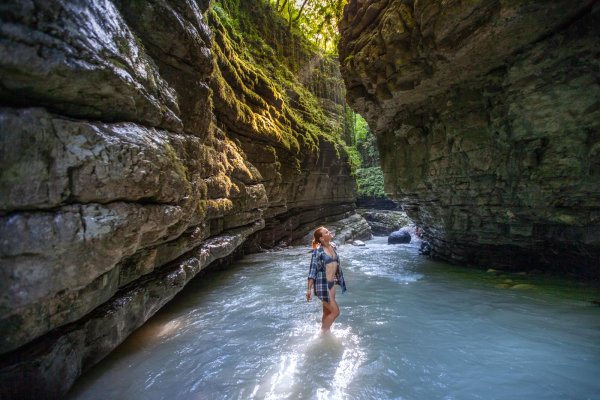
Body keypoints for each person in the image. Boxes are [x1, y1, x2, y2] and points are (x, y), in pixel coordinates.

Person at [306, 226, 347, 331]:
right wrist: (308, 290)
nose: (329, 232)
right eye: (326, 232)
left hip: (331, 285)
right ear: (321, 238)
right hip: (322, 286)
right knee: (335, 312)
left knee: (327, 312)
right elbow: (312, 271)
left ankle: (325, 331)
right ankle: (323, 334)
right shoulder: (317, 252)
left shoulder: (333, 246)